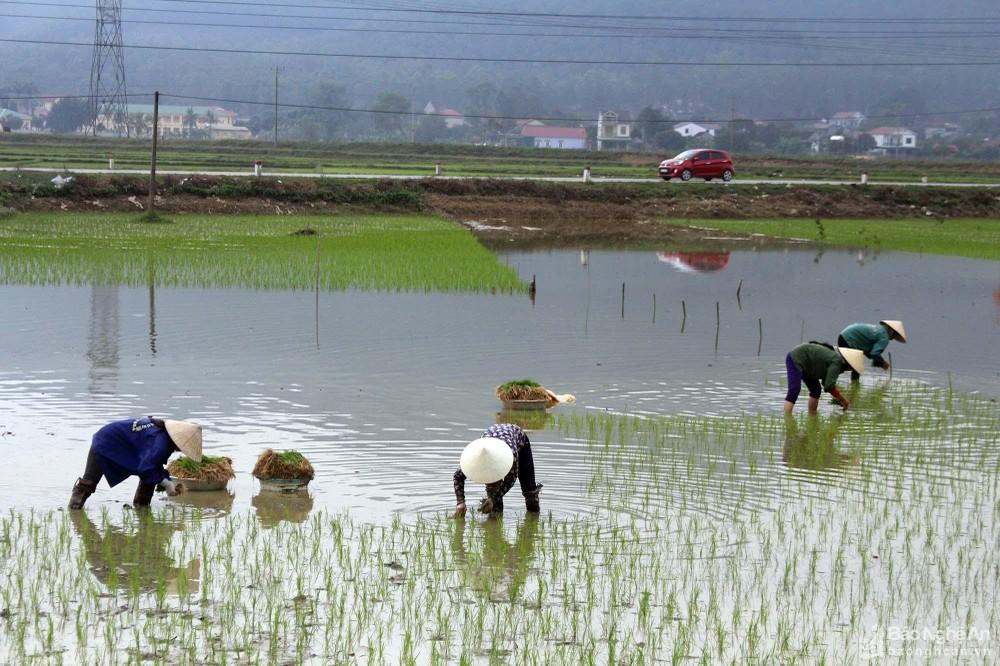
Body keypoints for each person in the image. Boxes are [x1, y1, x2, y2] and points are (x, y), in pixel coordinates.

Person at [68, 417, 202, 509]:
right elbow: (145, 468)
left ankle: (142, 507)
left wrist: (166, 480)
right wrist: (166, 484)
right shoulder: (161, 442)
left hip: (112, 439)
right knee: (89, 481)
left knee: (152, 473)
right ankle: (74, 510)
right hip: (105, 443)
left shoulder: (162, 433)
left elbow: (153, 465)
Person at [453, 423, 543, 515]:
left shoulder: (511, 456)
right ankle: (494, 523)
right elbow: (458, 476)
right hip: (492, 441)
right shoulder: (473, 458)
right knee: (492, 494)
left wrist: (493, 499)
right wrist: (460, 502)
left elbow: (510, 480)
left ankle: (533, 519)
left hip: (518, 440)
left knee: (530, 492)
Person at [783, 342, 865, 414]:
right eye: (852, 369)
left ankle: (812, 415)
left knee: (816, 390)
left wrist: (836, 393)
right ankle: (787, 418)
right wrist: (842, 399)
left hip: (809, 366)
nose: (851, 370)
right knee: (794, 389)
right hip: (796, 358)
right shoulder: (836, 362)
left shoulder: (838, 364)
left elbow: (826, 382)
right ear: (850, 365)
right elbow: (829, 386)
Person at [838, 320, 907, 381]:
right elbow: (875, 354)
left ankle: (854, 385)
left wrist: (879, 361)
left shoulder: (879, 329)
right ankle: (830, 377)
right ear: (891, 330)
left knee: (855, 367)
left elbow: (870, 353)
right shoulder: (884, 337)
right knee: (852, 366)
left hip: (844, 336)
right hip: (849, 339)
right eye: (894, 334)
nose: (892, 338)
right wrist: (883, 363)